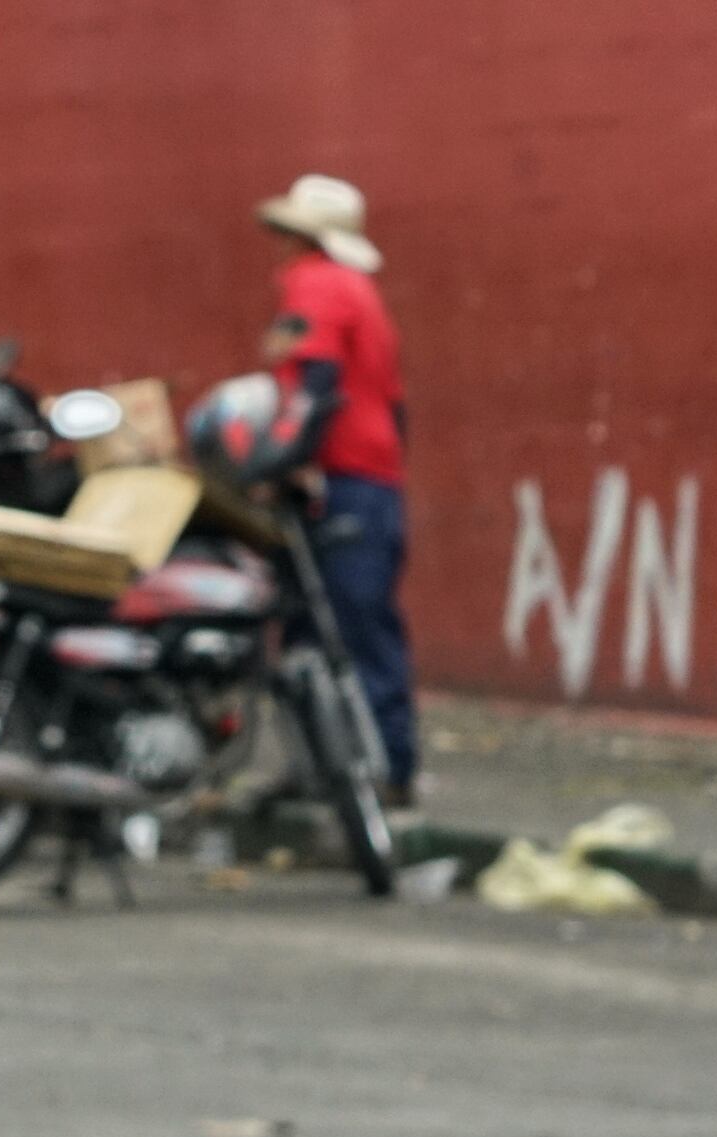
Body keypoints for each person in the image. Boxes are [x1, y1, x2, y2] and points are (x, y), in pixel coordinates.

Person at [256, 173, 415, 805]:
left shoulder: (315, 284)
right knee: (339, 623)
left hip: (339, 477)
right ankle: (356, 766)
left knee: (342, 623)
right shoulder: (360, 291)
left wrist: (284, 460)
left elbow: (316, 381)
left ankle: (376, 768)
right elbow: (392, 403)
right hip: (371, 474)